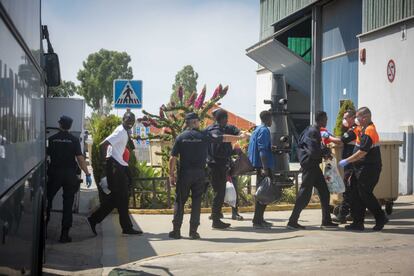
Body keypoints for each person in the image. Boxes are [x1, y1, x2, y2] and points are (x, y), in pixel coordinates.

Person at [168, 112, 246, 239]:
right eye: (198, 121)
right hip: (199, 174)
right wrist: (239, 137)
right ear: (194, 122)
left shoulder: (181, 137)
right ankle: (193, 232)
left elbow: (172, 158)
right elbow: (224, 138)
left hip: (185, 174)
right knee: (196, 202)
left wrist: (171, 175)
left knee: (180, 201)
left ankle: (176, 231)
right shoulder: (204, 135)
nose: (200, 122)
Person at [87, 111, 142, 236]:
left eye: (132, 122)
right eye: (128, 121)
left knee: (117, 200)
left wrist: (133, 138)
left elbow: (127, 142)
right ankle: (126, 227)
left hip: (120, 166)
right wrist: (104, 164)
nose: (130, 124)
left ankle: (94, 219)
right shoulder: (120, 131)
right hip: (115, 168)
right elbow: (103, 144)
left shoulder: (125, 130)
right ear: (123, 119)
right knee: (121, 198)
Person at [338, 107, 388, 231]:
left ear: (364, 118)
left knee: (365, 194)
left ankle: (380, 217)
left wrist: (347, 160)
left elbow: (362, 152)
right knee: (355, 193)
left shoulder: (369, 131)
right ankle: (357, 222)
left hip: (369, 168)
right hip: (359, 168)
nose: (356, 119)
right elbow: (348, 136)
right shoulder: (362, 129)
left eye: (357, 117)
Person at [287, 111, 338, 230]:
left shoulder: (312, 130)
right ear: (321, 119)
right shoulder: (313, 131)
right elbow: (313, 152)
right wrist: (325, 152)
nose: (327, 121)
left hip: (313, 167)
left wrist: (324, 151)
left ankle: (326, 221)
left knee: (324, 192)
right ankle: (292, 221)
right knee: (304, 195)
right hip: (310, 167)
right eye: (326, 119)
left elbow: (315, 148)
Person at [47, 115, 92, 243]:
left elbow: (45, 156)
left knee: (47, 201)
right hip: (70, 175)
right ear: (70, 126)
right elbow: (80, 159)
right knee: (68, 205)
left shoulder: (52, 139)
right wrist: (87, 174)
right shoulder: (74, 140)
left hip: (54, 174)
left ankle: (43, 228)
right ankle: (64, 235)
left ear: (59, 125)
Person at [206, 109, 244, 229]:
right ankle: (216, 220)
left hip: (214, 165)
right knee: (219, 193)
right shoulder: (216, 131)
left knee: (219, 192)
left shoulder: (210, 129)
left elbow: (236, 132)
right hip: (217, 165)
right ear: (223, 119)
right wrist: (233, 149)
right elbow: (220, 150)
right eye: (226, 118)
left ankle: (216, 216)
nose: (227, 120)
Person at [326, 109, 359, 223]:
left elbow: (340, 140)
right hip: (351, 164)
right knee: (353, 190)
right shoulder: (352, 129)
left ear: (351, 118)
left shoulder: (354, 130)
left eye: (345, 118)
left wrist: (328, 137)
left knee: (348, 190)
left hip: (351, 165)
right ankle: (354, 214)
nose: (344, 120)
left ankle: (342, 216)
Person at [247, 110, 274, 229]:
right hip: (263, 166)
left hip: (258, 165)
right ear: (268, 119)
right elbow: (262, 150)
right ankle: (258, 220)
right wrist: (265, 168)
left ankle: (259, 219)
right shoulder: (264, 130)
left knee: (261, 192)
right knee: (263, 193)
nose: (272, 121)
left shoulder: (256, 130)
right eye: (271, 119)